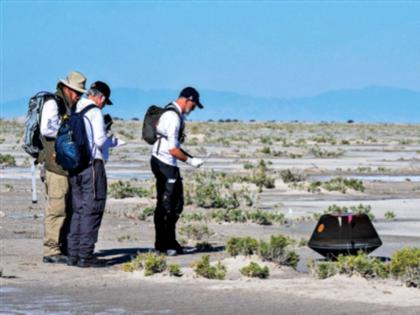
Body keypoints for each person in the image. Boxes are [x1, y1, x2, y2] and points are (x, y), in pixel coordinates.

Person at [67, 81, 122, 268]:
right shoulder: (95, 112)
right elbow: (99, 141)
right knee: (93, 208)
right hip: (92, 164)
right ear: (102, 98)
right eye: (105, 102)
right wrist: (113, 142)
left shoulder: (75, 106)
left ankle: (73, 253)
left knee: (78, 210)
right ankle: (86, 255)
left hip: (74, 165)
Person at [39, 71, 87, 263]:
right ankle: (51, 250)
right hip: (54, 167)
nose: (78, 96)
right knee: (57, 208)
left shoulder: (69, 106)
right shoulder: (54, 104)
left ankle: (62, 247)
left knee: (67, 207)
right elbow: (45, 129)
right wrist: (66, 131)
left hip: (65, 166)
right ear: (67, 88)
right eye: (77, 92)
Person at [151, 86, 204, 256]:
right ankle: (164, 244)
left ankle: (168, 241)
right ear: (188, 100)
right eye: (194, 105)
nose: (193, 109)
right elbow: (173, 149)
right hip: (164, 163)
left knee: (172, 204)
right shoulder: (173, 117)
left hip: (165, 162)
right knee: (168, 205)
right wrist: (191, 161)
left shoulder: (172, 112)